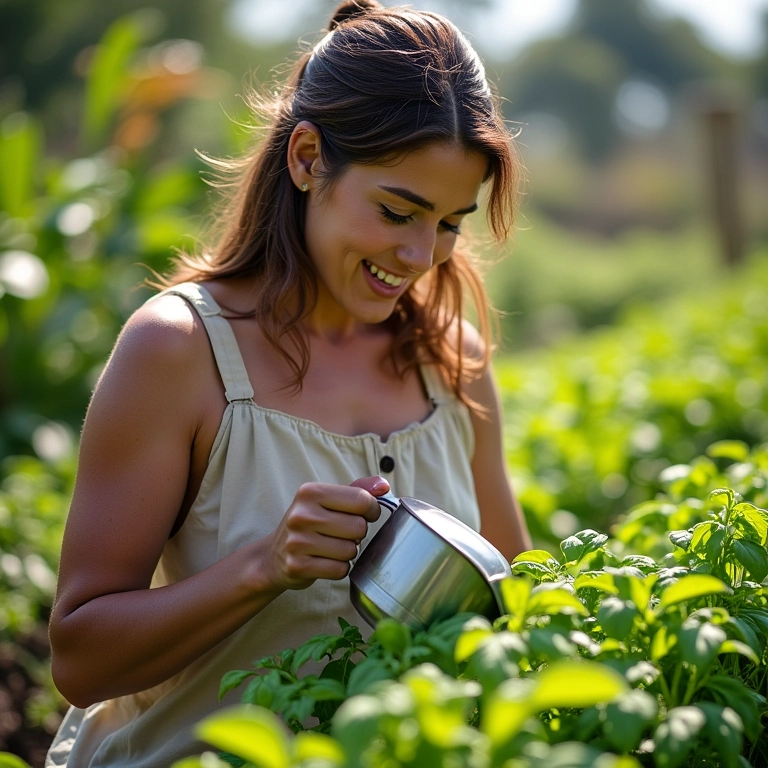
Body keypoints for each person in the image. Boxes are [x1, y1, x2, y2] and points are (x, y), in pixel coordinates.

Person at [46, 1, 531, 765]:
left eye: (448, 222)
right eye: (396, 210)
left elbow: (515, 595)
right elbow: (79, 660)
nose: (419, 254)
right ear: (307, 159)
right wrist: (264, 568)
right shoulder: (180, 352)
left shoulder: (451, 363)